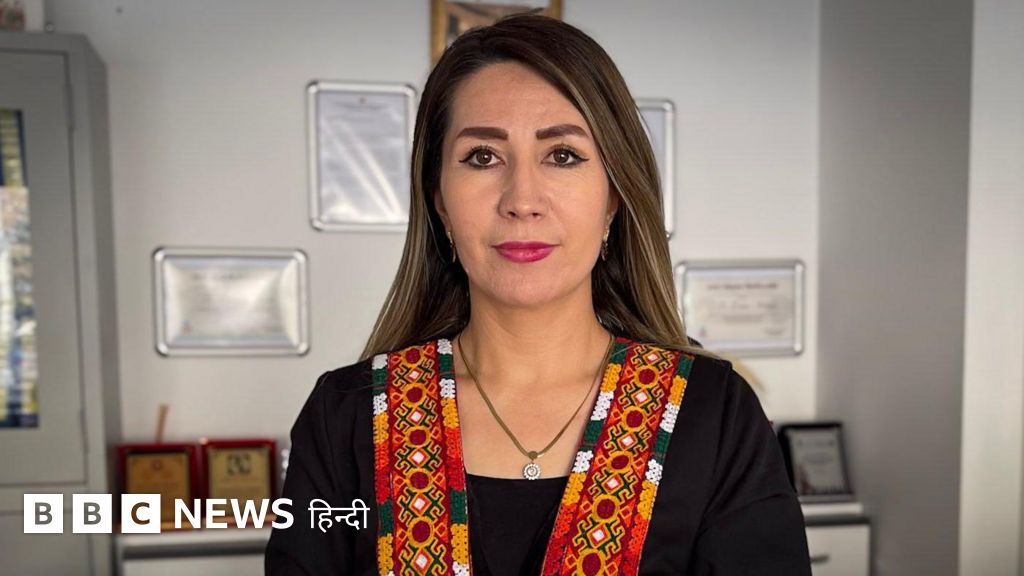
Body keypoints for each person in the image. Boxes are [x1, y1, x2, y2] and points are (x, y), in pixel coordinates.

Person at [265, 12, 810, 576]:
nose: (522, 200)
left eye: (562, 155)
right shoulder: (347, 415)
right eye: (483, 157)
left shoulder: (713, 414)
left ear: (614, 196)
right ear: (440, 200)